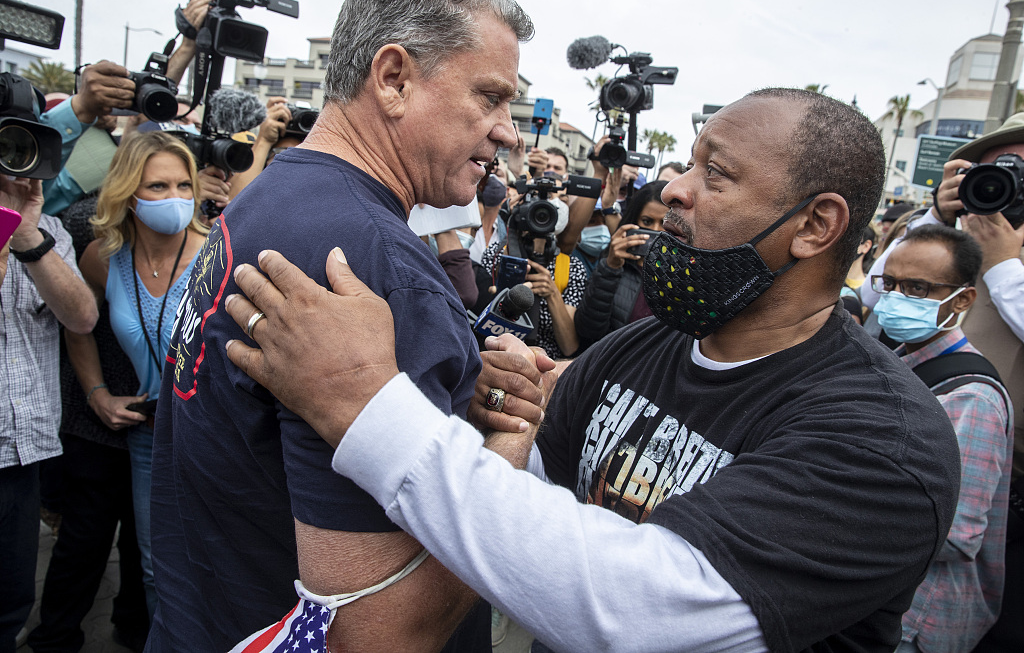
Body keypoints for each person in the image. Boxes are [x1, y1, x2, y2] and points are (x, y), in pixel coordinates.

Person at [219, 88, 963, 652]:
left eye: (718, 174)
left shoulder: (884, 443)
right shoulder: (648, 345)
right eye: (689, 163)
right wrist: (501, 409)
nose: (674, 187)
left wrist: (367, 403)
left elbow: (630, 605)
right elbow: (525, 481)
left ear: (815, 225)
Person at [147, 0, 535, 652]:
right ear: (393, 78)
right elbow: (374, 634)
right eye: (491, 96)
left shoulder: (276, 190)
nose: (507, 131)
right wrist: (509, 439)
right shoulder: (374, 264)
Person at [1, 61, 127, 653]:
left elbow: (80, 315)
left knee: (8, 607)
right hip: (56, 439)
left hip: (22, 455)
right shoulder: (71, 220)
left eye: (17, 144)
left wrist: (25, 237)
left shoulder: (44, 227)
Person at [61, 132, 207, 625]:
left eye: (184, 185)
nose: (176, 199)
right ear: (128, 193)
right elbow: (79, 325)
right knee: (154, 570)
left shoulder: (219, 256)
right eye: (158, 187)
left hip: (211, 437)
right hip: (149, 439)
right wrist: (97, 393)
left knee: (210, 569)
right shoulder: (106, 258)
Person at [870, 225, 1012, 653]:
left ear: (962, 299)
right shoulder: (899, 361)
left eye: (918, 288)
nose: (897, 299)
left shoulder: (970, 398)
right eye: (890, 284)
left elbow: (955, 534)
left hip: (921, 620)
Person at [573, 180, 667, 348]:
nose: (656, 230)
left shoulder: (686, 273)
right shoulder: (616, 265)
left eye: (665, 223)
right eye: (647, 221)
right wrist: (611, 267)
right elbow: (588, 330)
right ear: (634, 222)